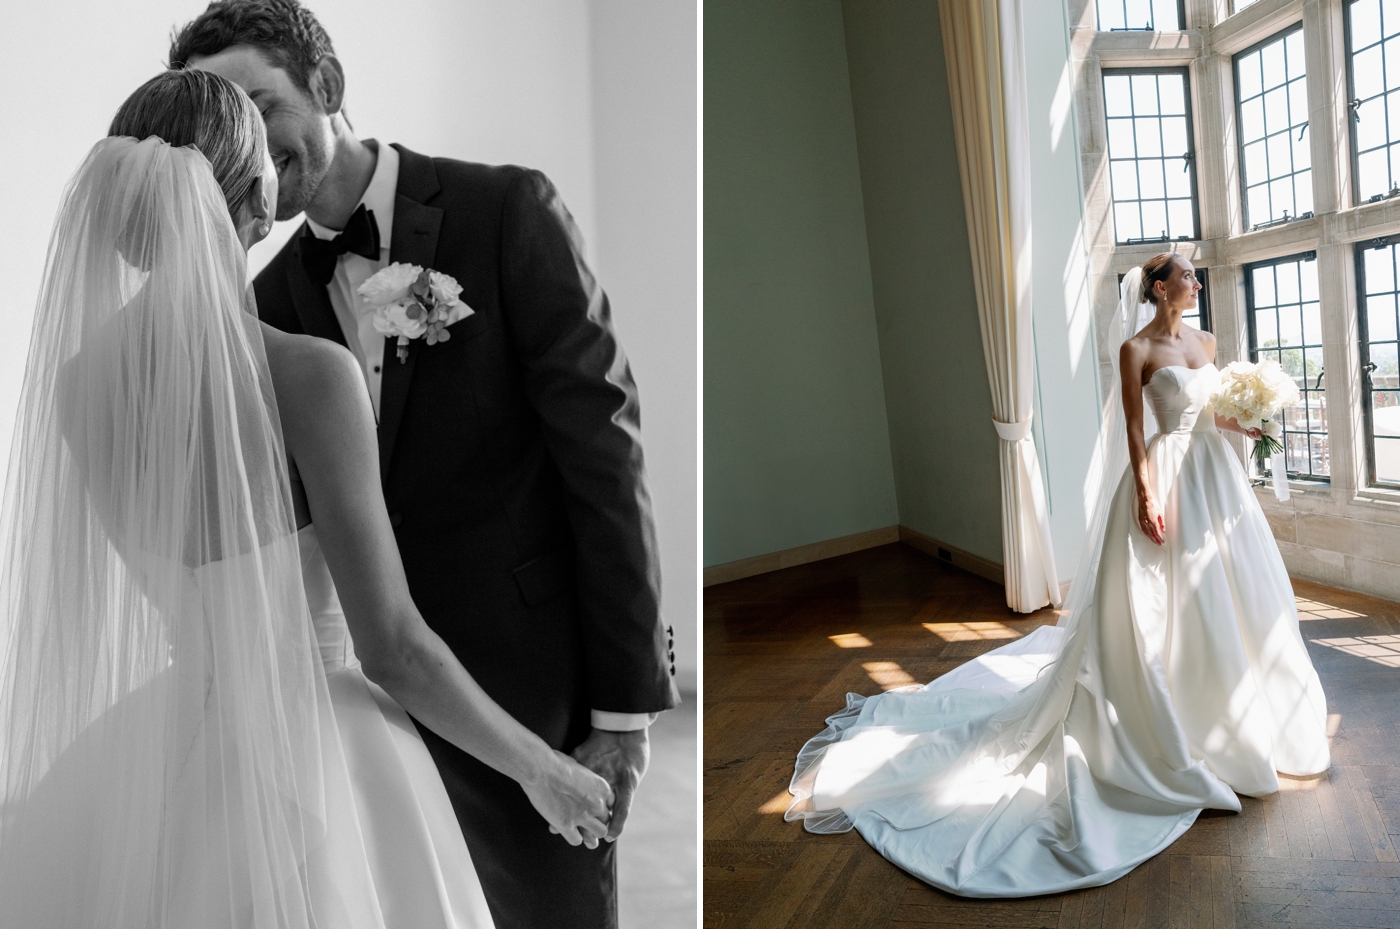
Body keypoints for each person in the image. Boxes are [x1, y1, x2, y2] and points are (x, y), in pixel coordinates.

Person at [0, 68, 616, 928]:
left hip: (170, 747)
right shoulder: (308, 376)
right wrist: (542, 769)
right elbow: (391, 646)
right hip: (319, 745)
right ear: (256, 201)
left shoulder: (78, 385)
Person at [167, 2, 680, 927]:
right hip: (370, 713)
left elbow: (607, 458)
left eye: (262, 104)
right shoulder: (262, 302)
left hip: (534, 689)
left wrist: (623, 709)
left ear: (325, 84)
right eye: (228, 125)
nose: (252, 145)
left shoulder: (505, 209)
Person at [784, 253, 1331, 897]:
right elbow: (1134, 428)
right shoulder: (1135, 349)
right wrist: (1145, 494)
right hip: (1167, 473)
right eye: (1186, 274)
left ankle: (1234, 713)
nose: (1196, 282)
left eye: (1196, 275)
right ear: (1159, 286)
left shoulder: (1207, 341)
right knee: (1167, 602)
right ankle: (1169, 715)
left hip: (1216, 477)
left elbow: (1213, 415)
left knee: (1233, 596)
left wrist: (1257, 419)